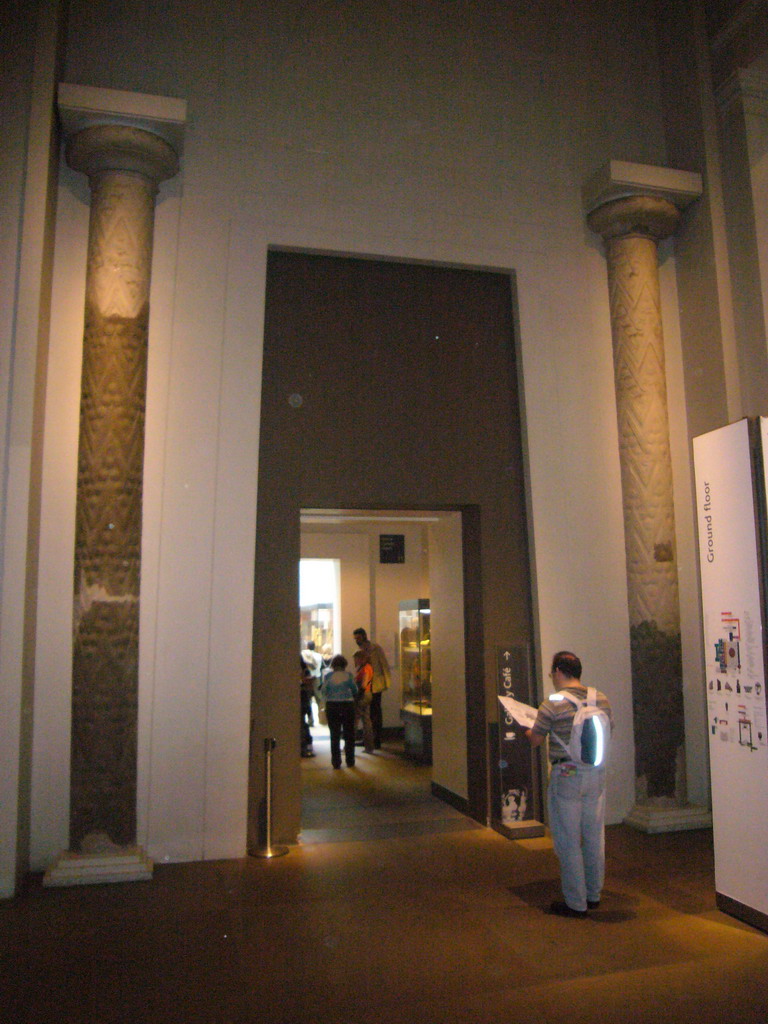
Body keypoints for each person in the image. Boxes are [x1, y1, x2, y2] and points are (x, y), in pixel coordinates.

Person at [526, 651, 614, 918]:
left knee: (568, 840)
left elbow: (536, 740)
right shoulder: (601, 698)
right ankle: (593, 894)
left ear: (559, 672)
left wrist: (529, 728)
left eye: (553, 673)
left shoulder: (552, 703)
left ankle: (576, 903)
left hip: (567, 776)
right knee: (593, 836)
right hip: (596, 774)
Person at [353, 627, 391, 749]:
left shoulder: (375, 648)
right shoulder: (361, 650)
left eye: (358, 638)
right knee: (366, 714)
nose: (357, 640)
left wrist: (386, 682)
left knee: (375, 712)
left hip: (375, 685)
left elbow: (384, 664)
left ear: (364, 636)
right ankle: (369, 739)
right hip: (366, 685)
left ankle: (376, 739)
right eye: (355, 638)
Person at [320, 654, 358, 769]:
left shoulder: (328, 676)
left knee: (334, 735)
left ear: (333, 665)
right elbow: (355, 690)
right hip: (347, 705)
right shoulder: (349, 676)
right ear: (344, 665)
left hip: (332, 706)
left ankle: (336, 762)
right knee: (349, 734)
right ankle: (350, 760)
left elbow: (323, 691)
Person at [301, 640, 325, 725]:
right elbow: (323, 667)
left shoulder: (303, 654)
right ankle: (322, 719)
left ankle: (310, 720)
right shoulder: (319, 656)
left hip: (307, 679)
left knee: (308, 700)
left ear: (307, 647)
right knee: (319, 699)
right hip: (317, 678)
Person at [300, 657, 315, 758]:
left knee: (302, 722)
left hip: (303, 698)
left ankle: (305, 745)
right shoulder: (305, 671)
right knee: (302, 722)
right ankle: (306, 744)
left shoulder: (305, 671)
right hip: (304, 698)